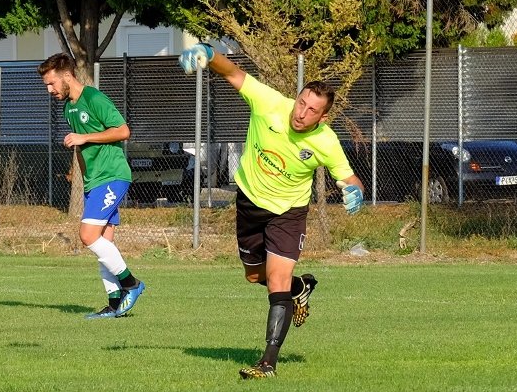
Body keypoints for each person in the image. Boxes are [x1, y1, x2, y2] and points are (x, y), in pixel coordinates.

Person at [179, 44, 364, 379]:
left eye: (312, 111)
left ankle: (268, 363)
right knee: (256, 277)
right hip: (248, 203)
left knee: (275, 280)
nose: (302, 113)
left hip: (288, 213)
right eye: (302, 103)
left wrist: (354, 192)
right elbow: (232, 72)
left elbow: (349, 177)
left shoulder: (326, 141)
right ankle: (299, 289)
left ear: (323, 118)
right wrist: (207, 52)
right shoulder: (269, 103)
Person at [38, 53, 145, 319]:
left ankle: (132, 284)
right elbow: (80, 147)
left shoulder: (94, 98)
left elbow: (122, 130)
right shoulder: (68, 108)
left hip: (112, 175)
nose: (49, 90)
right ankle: (114, 303)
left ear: (66, 76)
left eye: (52, 84)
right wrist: (83, 179)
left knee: (87, 236)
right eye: (46, 86)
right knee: (103, 242)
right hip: (93, 181)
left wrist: (84, 136)